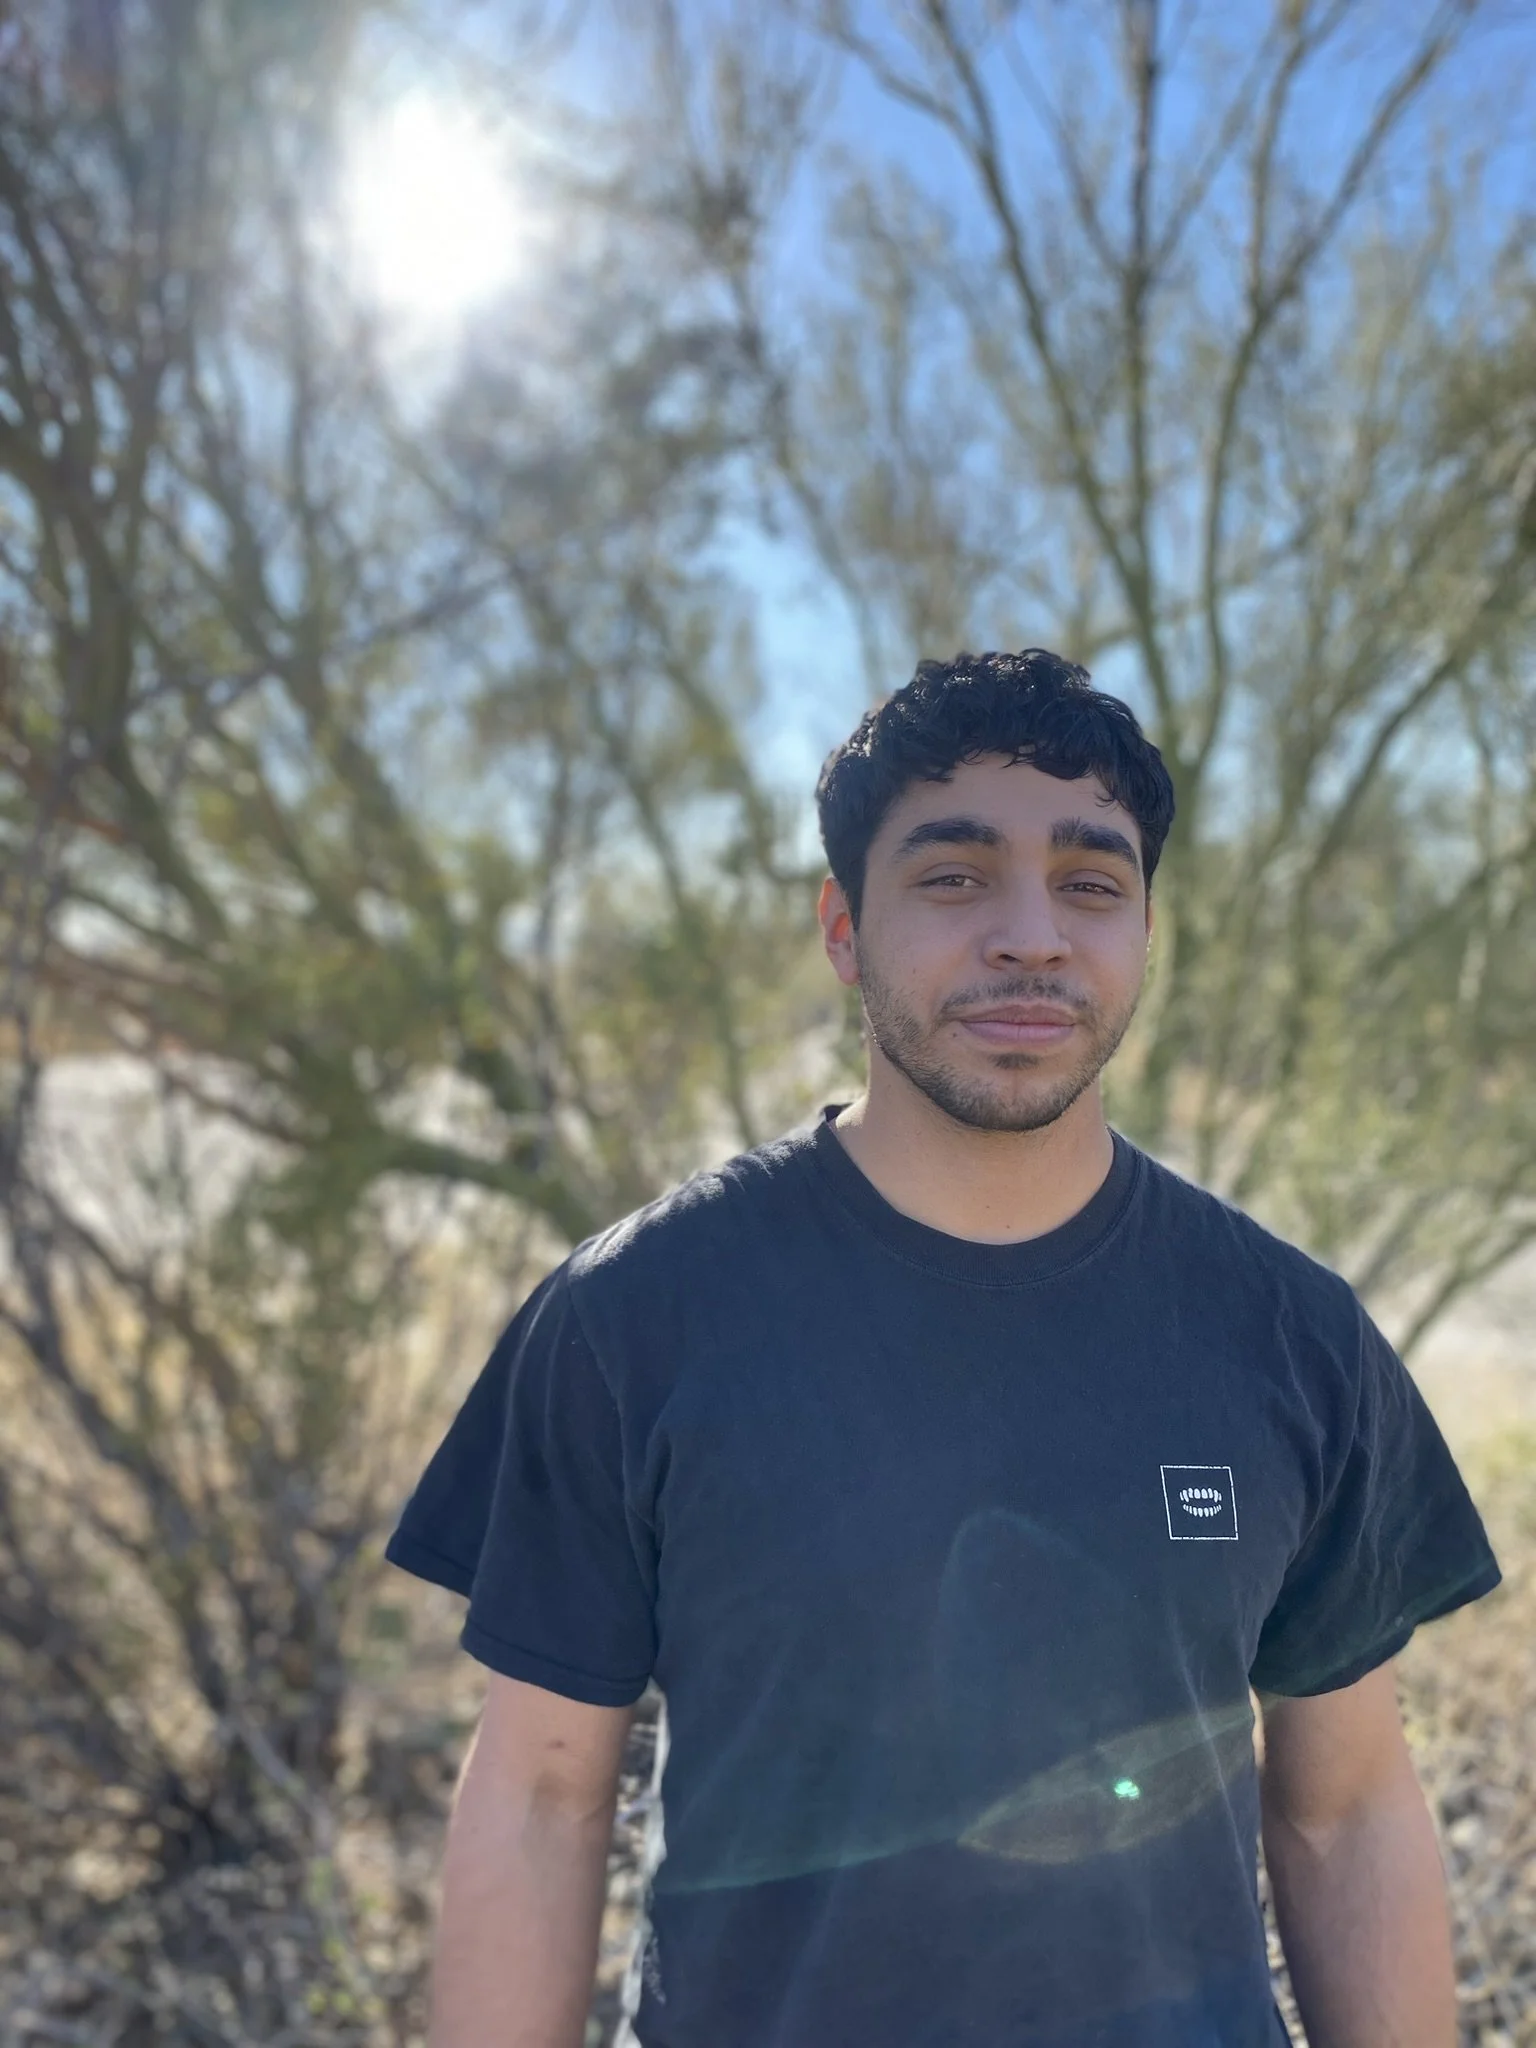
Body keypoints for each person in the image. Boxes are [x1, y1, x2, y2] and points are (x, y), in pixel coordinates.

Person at [387, 649, 1502, 2048]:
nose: (1032, 935)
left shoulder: (1291, 1332)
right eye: (956, 876)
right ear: (844, 930)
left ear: (1146, 929)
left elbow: (1346, 1811)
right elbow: (541, 1801)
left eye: (1091, 882)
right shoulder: (635, 1318)